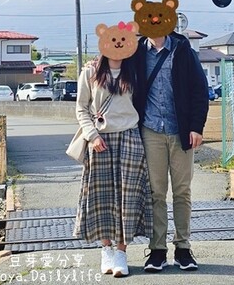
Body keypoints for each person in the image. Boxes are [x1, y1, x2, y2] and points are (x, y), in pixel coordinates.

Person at [130, 0, 209, 272]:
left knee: (182, 191)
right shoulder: (136, 52)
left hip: (181, 131)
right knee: (155, 192)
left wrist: (197, 127)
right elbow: (115, 70)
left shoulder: (184, 51)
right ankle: (157, 250)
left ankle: (184, 248)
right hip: (150, 130)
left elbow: (200, 91)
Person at [74, 21, 152, 278]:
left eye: (123, 40)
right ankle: (106, 249)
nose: (118, 45)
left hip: (129, 137)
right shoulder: (91, 71)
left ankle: (122, 251)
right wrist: (92, 135)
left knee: (128, 197)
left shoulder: (135, 70)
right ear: (103, 42)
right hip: (100, 141)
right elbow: (81, 108)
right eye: (113, 40)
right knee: (102, 197)